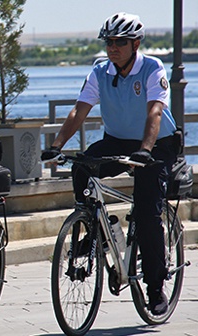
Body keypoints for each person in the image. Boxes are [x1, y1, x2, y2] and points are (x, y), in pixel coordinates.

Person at [41, 12, 178, 315]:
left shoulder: (152, 68)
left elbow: (155, 111)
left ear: (136, 43)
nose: (113, 47)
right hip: (117, 140)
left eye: (120, 42)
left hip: (156, 144)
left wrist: (145, 150)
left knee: (146, 214)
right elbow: (79, 111)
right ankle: (92, 224)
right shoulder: (100, 71)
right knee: (81, 167)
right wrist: (55, 146)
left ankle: (156, 288)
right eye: (109, 42)